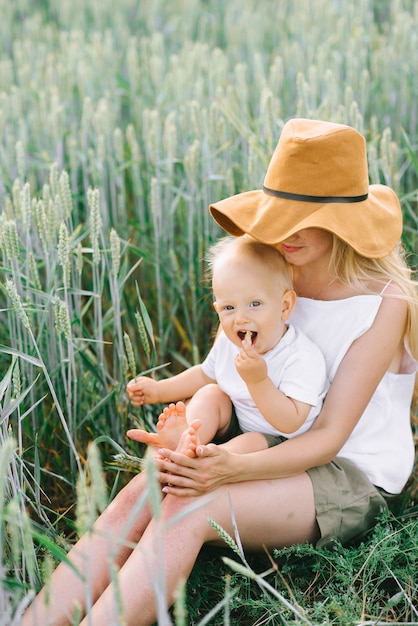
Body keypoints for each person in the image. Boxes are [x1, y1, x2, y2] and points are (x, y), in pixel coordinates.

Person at [22, 118, 418, 626]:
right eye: (280, 215)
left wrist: (228, 469)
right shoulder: (267, 264)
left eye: (305, 218)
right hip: (265, 434)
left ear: (344, 222)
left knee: (188, 512)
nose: (285, 233)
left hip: (347, 470)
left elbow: (328, 437)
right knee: (148, 489)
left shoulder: (383, 303)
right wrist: (192, 437)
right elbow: (222, 372)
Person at [126, 235, 327, 457]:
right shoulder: (229, 342)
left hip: (278, 442)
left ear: (285, 306)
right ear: (217, 309)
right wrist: (159, 390)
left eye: (255, 304)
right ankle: (188, 440)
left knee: (251, 440)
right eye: (229, 308)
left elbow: (290, 422)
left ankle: (206, 458)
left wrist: (258, 381)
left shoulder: (300, 357)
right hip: (237, 423)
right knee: (211, 393)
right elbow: (205, 375)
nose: (240, 318)